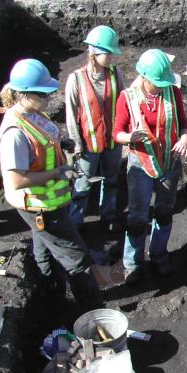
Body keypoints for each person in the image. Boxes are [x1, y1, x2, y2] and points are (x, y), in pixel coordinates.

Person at [0, 58, 102, 308]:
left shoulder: (33, 113)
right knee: (76, 258)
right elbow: (17, 179)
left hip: (47, 203)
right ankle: (93, 310)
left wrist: (61, 145)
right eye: (43, 93)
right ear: (23, 94)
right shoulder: (14, 134)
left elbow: (43, 142)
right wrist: (58, 173)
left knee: (44, 247)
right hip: (40, 206)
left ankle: (52, 297)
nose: (49, 97)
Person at [113, 49, 187, 284]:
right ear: (143, 76)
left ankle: (158, 254)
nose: (159, 87)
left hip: (169, 162)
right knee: (137, 216)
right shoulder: (127, 98)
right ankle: (132, 264)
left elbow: (184, 125)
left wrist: (185, 139)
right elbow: (117, 133)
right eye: (155, 83)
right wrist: (130, 137)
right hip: (141, 163)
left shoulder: (173, 93)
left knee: (165, 211)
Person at [66, 25, 125, 231]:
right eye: (106, 53)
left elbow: (124, 104)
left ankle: (107, 215)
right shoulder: (76, 79)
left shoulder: (116, 74)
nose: (110, 57)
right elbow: (72, 115)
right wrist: (76, 145)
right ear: (93, 51)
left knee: (111, 181)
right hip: (88, 144)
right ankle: (76, 222)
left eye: (111, 53)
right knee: (83, 185)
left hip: (112, 141)